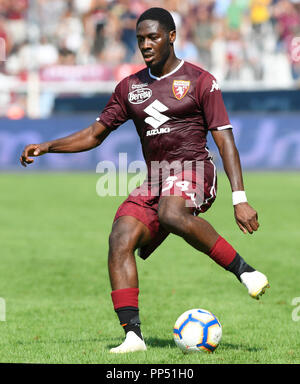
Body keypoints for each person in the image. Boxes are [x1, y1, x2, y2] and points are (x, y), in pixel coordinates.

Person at [20, 7, 269, 354]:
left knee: (170, 213)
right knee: (120, 237)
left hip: (195, 170)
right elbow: (95, 134)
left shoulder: (200, 80)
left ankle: (245, 272)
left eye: (153, 37)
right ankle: (133, 337)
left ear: (171, 36)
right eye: (140, 39)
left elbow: (225, 139)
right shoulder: (130, 86)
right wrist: (48, 146)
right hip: (157, 178)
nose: (146, 44)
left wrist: (239, 198)